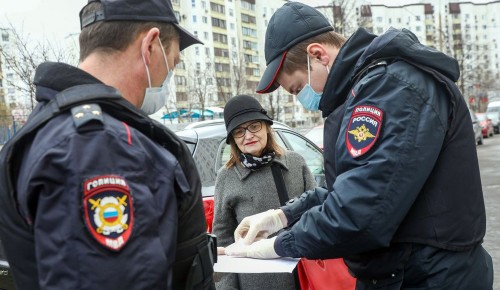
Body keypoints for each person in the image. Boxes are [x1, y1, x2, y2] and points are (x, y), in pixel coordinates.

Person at [224, 2, 494, 289]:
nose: (300, 100)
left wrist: (281, 244)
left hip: (430, 276)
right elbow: (350, 187)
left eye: (297, 88)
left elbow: (360, 213)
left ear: (318, 55)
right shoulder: (365, 91)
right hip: (408, 272)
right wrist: (282, 216)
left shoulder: (392, 89)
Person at [0, 0, 216, 289]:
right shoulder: (99, 146)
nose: (168, 78)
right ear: (150, 44)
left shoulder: (51, 129)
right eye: (173, 62)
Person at [212, 95, 316, 289]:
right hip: (257, 282)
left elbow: (317, 214)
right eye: (239, 131)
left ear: (267, 127)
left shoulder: (295, 163)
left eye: (254, 126)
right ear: (232, 139)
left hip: (304, 276)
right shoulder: (226, 177)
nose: (248, 135)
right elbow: (223, 241)